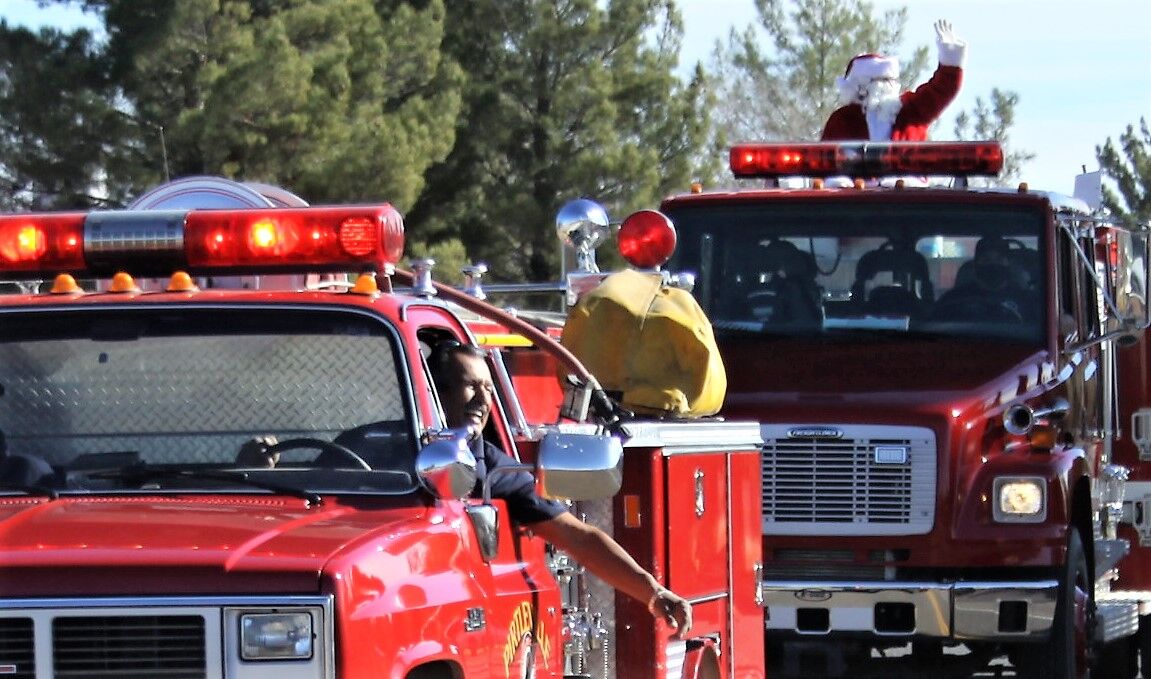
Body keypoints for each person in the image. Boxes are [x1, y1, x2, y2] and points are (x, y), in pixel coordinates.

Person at [430, 341, 693, 638]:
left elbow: (578, 537)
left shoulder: (495, 469)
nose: (482, 399)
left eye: (489, 388)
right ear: (438, 393)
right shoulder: (380, 449)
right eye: (471, 385)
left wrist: (653, 592)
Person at [821, 20, 967, 142]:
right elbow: (825, 162)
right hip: (857, 177)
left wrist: (950, 62)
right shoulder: (843, 119)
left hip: (905, 175)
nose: (884, 86)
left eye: (888, 81)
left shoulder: (911, 111)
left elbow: (941, 90)